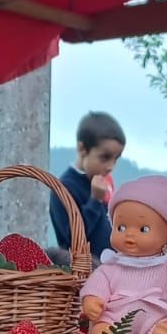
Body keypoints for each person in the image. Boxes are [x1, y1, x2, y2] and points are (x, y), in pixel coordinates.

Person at [49, 111, 125, 260]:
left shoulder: (100, 183)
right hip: (83, 273)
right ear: (82, 149)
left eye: (115, 159)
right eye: (105, 157)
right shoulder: (64, 188)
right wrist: (95, 201)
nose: (111, 166)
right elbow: (74, 239)